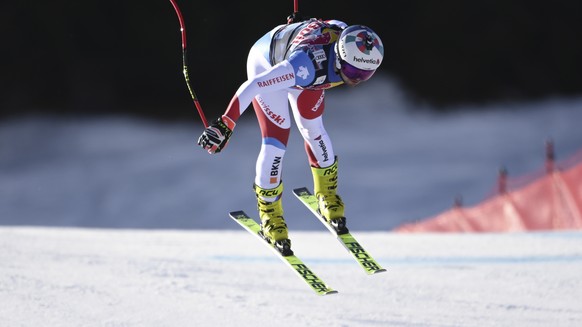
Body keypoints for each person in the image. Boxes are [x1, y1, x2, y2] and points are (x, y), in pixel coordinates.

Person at [198, 14, 384, 255]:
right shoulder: (304, 66)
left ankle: (327, 195)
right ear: (340, 57)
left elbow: (326, 25)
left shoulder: (349, 39)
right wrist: (226, 123)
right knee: (276, 142)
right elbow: (253, 86)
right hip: (268, 63)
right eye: (351, 70)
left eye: (365, 74)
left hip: (310, 76)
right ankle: (270, 215)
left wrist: (298, 29)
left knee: (314, 129)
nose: (356, 79)